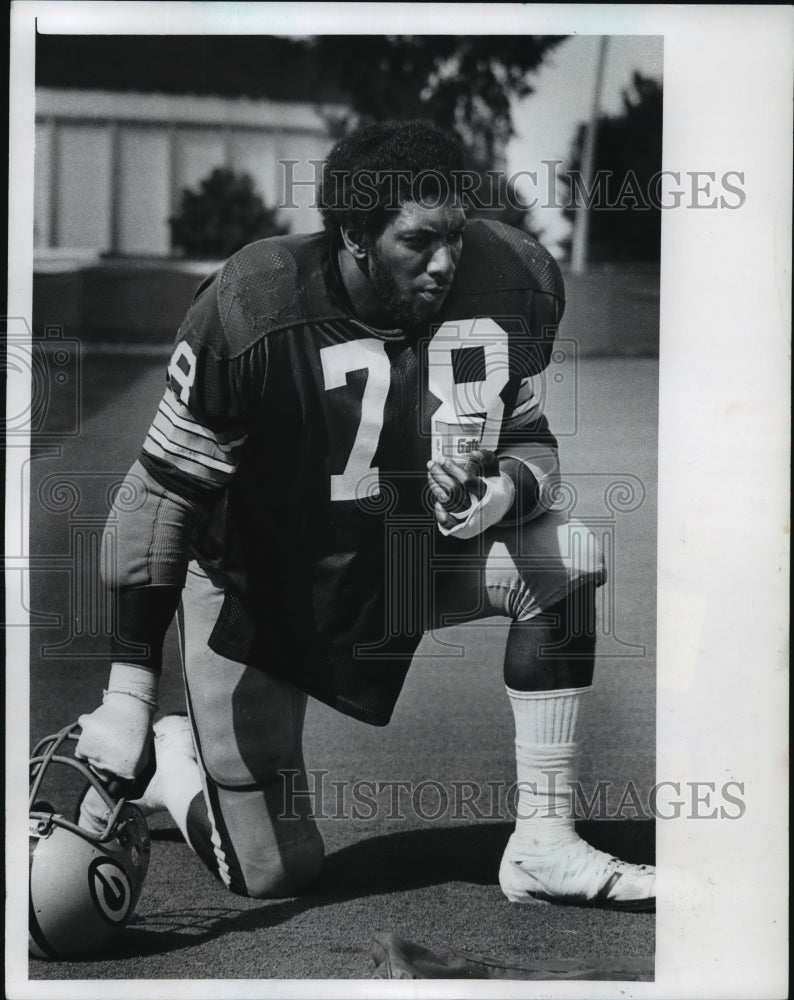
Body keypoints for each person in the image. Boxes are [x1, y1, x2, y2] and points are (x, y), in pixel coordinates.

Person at [75, 120, 654, 910]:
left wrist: (500, 491)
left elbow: (534, 450)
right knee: (277, 874)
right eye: (419, 241)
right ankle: (179, 759)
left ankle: (544, 846)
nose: (447, 260)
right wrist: (127, 693)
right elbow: (160, 496)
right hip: (262, 581)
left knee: (568, 557)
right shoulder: (253, 305)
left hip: (399, 555)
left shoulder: (503, 281)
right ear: (354, 232)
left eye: (455, 233)